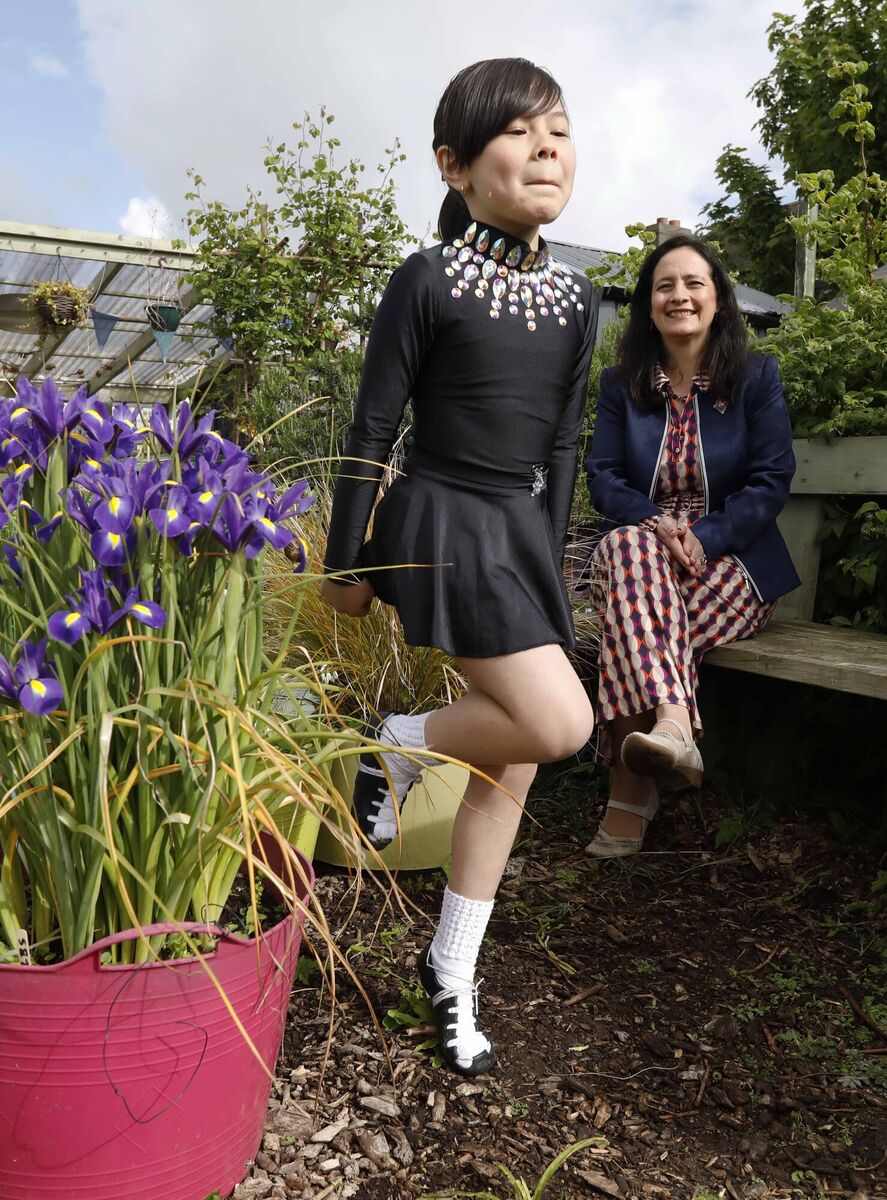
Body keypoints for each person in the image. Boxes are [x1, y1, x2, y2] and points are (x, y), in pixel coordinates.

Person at [320, 57, 600, 1075]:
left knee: (513, 757)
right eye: (518, 132)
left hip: (517, 537)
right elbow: (371, 424)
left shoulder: (577, 298)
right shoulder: (426, 278)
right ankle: (395, 738)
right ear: (452, 165)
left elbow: (565, 447)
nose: (545, 147)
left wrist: (554, 568)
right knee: (559, 722)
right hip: (439, 513)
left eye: (559, 130)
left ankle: (450, 971)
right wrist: (342, 562)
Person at [582, 234, 799, 857]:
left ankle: (631, 788)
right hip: (640, 550)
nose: (679, 296)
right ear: (648, 305)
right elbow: (604, 477)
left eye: (694, 283)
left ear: (718, 300)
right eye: (664, 286)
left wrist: (701, 536)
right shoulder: (622, 383)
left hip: (734, 563)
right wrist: (658, 525)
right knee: (630, 554)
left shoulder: (755, 377)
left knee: (629, 616)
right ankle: (674, 723)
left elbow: (769, 482)